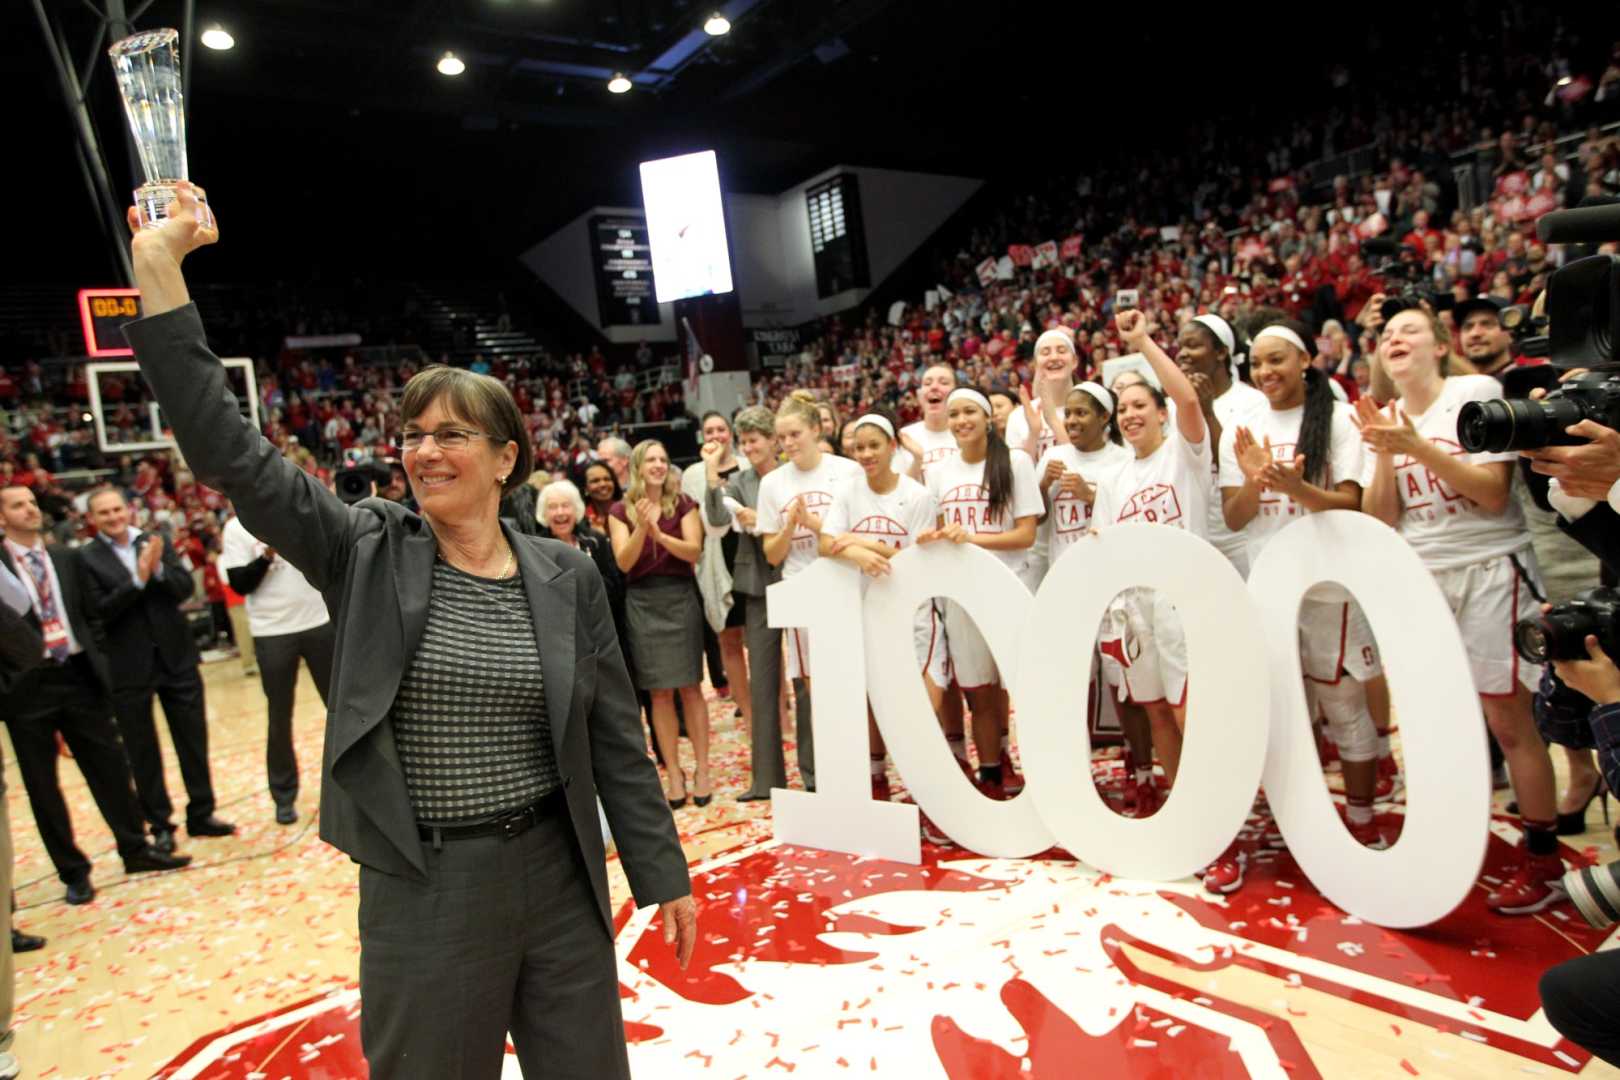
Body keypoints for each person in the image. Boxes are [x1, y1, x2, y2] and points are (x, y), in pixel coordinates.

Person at [120, 184, 693, 1079]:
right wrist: (159, 270)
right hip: (426, 887)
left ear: (507, 460)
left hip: (559, 875)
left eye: (452, 435)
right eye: (413, 436)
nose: (424, 451)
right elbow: (231, 451)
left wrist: (663, 874)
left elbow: (614, 737)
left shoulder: (565, 571)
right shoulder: (365, 547)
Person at [1357, 307, 1562, 914]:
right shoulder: (1389, 415)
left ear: (1441, 347)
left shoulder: (1474, 393)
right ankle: (1451, 848)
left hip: (1491, 569)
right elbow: (1379, 520)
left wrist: (1416, 445)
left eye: (1409, 330)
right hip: (1421, 580)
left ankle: (1542, 860)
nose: (1395, 337)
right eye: (1387, 334)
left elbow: (1494, 494)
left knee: (1508, 723)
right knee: (1437, 725)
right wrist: (1390, 454)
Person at [1216, 321, 1386, 893]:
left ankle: (1362, 820)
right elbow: (1237, 518)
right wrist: (1253, 479)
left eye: (1278, 360)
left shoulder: (1336, 421)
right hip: (1266, 584)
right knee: (1286, 712)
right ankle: (1305, 820)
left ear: (1307, 359)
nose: (1266, 373)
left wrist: (1293, 487)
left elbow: (1350, 505)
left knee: (1344, 707)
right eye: (1257, 363)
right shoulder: (1241, 426)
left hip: (1327, 588)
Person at [0, 485, 190, 905]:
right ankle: (73, 871)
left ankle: (135, 849)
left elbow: (92, 616)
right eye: (18, 505)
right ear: (1, 518)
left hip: (80, 674)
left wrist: (101, 661)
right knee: (43, 786)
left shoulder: (68, 558)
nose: (30, 509)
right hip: (27, 686)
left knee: (110, 769)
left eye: (32, 502)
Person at [1091, 308, 1210, 819]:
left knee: (1191, 711)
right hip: (1138, 607)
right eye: (1122, 408)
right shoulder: (1115, 478)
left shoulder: (1185, 454)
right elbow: (1105, 549)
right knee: (1157, 710)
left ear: (1160, 412)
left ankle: (1212, 814)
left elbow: (1187, 396)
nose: (1130, 414)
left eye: (1140, 404)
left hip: (1184, 600)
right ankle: (1184, 811)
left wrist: (1141, 341)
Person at [77, 487, 237, 851]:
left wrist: (158, 569)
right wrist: (138, 580)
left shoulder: (156, 540)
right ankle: (159, 823)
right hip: (128, 666)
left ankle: (202, 812)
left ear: (128, 510)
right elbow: (99, 610)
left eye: (117, 509)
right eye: (104, 513)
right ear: (93, 519)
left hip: (176, 658)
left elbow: (183, 589)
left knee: (193, 741)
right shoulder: (85, 559)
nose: (113, 517)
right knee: (142, 750)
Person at [919, 387, 1042, 798]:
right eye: (954, 414)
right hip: (961, 595)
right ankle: (991, 771)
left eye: (969, 411)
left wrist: (970, 540)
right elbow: (941, 534)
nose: (960, 421)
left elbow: (1026, 535)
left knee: (1023, 687)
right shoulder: (938, 472)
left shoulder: (1016, 462)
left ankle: (1042, 773)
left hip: (1009, 585)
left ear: (988, 418)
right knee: (979, 691)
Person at [820, 411, 940, 800]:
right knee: (872, 698)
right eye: (860, 447)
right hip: (864, 608)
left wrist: (856, 542)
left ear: (892, 447)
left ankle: (927, 787)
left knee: (916, 702)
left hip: (913, 610)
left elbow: (916, 557)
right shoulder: (848, 491)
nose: (867, 453)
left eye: (874, 446)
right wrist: (860, 550)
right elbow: (826, 543)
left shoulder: (917, 495)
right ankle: (877, 777)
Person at [758, 390, 865, 793]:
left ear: (817, 430)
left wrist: (818, 524)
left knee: (854, 678)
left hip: (847, 583)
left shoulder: (848, 471)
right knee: (812, 688)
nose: (787, 444)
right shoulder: (772, 484)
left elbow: (859, 531)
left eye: (795, 434)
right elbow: (771, 553)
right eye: (781, 437)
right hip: (800, 590)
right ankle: (820, 776)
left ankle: (862, 768)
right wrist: (790, 526)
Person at [608, 440, 711, 807]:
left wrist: (660, 534)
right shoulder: (621, 510)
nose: (658, 465)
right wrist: (642, 528)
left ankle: (701, 769)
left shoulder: (683, 503)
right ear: (637, 466)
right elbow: (623, 562)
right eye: (650, 459)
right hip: (642, 603)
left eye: (663, 460)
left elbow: (693, 551)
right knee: (659, 693)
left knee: (691, 688)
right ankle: (675, 774)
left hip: (679, 596)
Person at [219, 510, 334, 825]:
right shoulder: (235, 529)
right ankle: (284, 795)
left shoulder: (301, 515)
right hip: (272, 630)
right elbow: (240, 584)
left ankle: (354, 789)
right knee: (279, 716)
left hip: (318, 623)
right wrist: (267, 554)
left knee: (341, 711)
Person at [703, 406, 786, 800]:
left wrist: (764, 521)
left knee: (806, 685)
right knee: (763, 683)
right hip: (756, 586)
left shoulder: (792, 475)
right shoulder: (738, 481)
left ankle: (817, 773)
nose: (750, 446)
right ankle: (767, 779)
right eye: (745, 440)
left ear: (774, 439)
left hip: (799, 576)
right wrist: (710, 474)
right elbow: (717, 516)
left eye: (757, 439)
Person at [1175, 313, 1268, 575]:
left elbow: (1239, 467)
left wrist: (1207, 413)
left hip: (1237, 538)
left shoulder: (1253, 402)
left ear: (1221, 352)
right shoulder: (1174, 404)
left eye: (1193, 345)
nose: (1182, 353)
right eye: (1180, 346)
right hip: (1191, 534)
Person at [682, 411, 749, 724]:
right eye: (709, 431)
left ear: (731, 433)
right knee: (729, 637)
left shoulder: (747, 465)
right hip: (716, 558)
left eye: (721, 429)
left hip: (750, 551)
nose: (715, 436)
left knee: (763, 636)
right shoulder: (693, 475)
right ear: (702, 437)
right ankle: (745, 705)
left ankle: (771, 702)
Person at [582, 460, 622, 534]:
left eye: (607, 479)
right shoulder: (581, 518)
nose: (603, 484)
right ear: (585, 488)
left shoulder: (626, 510)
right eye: (595, 481)